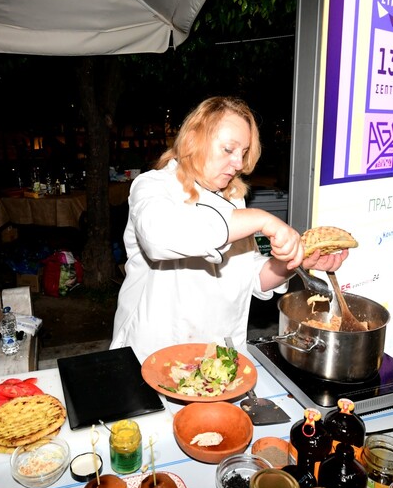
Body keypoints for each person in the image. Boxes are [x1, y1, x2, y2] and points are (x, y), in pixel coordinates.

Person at [110, 96, 348, 362]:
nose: (239, 164)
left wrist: (293, 261)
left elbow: (250, 276)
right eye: (228, 149)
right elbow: (159, 238)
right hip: (155, 355)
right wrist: (260, 218)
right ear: (193, 140)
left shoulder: (233, 198)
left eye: (243, 152)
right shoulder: (153, 186)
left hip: (218, 357)